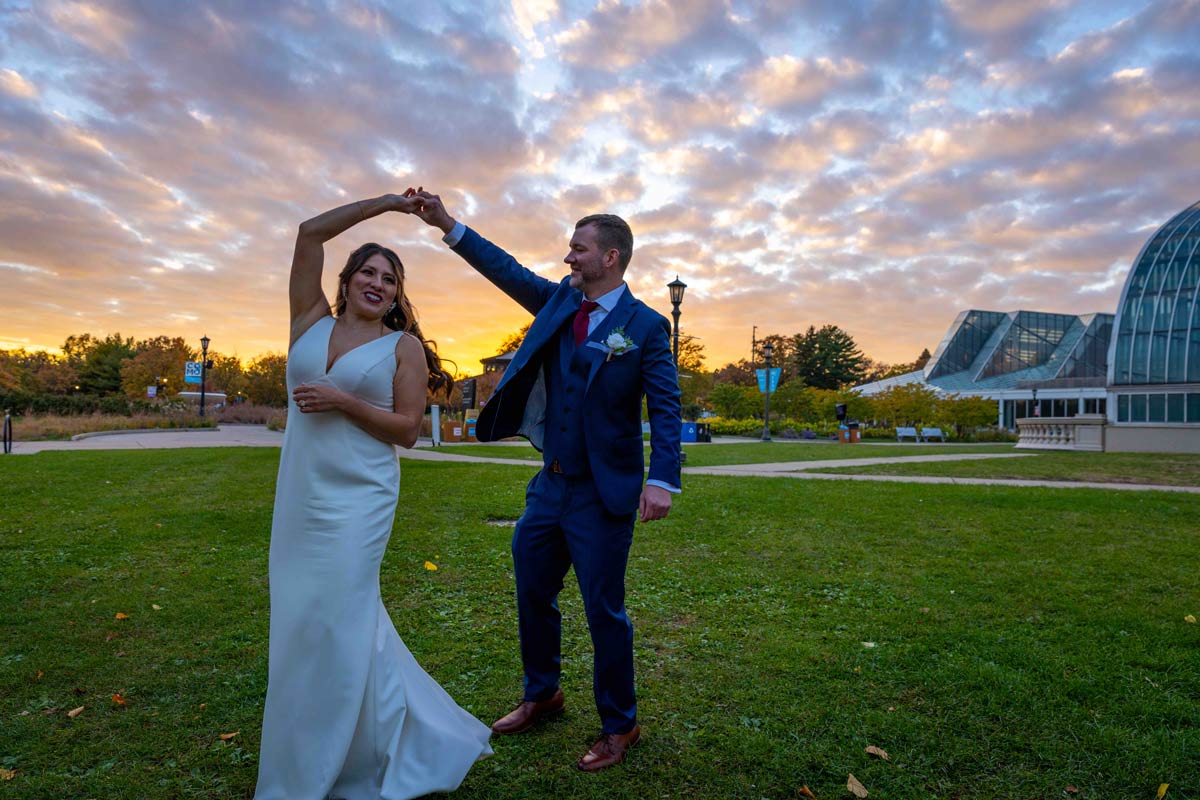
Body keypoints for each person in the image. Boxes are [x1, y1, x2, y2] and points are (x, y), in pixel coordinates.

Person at [406, 188, 682, 772]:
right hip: (549, 486)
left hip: (603, 494)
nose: (568, 258)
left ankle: (620, 724)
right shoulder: (559, 302)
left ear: (610, 257)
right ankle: (543, 694)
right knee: (532, 590)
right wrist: (448, 224)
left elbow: (665, 407)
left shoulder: (647, 327)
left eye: (578, 249)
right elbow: (505, 270)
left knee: (603, 610)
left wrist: (662, 479)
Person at [255, 194, 492, 800]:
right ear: (347, 279)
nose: (378, 284)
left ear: (396, 295)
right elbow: (308, 232)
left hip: (360, 497)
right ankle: (325, 741)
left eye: (390, 279)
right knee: (304, 620)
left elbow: (408, 431)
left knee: (340, 616)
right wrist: (388, 205)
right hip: (302, 494)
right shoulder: (309, 321)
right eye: (369, 271)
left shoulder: (401, 347)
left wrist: (343, 401)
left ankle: (341, 759)